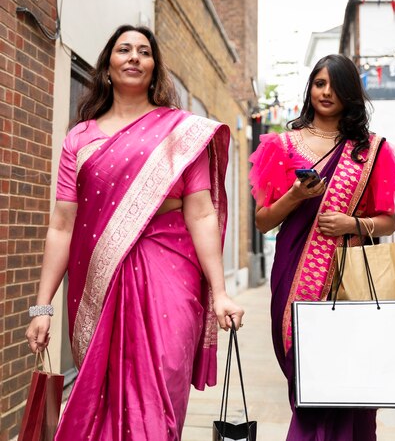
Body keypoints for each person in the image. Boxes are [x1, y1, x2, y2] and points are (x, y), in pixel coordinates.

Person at [25, 25, 244, 440]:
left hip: (171, 273)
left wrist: (220, 291)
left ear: (154, 68)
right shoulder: (81, 138)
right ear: (107, 65)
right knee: (98, 398)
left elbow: (200, 213)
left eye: (144, 52)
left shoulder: (180, 133)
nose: (134, 57)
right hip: (99, 279)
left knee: (162, 386)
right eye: (124, 49)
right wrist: (42, 307)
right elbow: (62, 223)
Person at [249, 54, 395, 440]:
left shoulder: (370, 150)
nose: (326, 92)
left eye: (335, 86)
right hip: (293, 275)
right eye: (319, 84)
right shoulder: (281, 145)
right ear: (310, 89)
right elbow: (263, 219)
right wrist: (296, 196)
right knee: (307, 377)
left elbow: (388, 220)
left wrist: (352, 223)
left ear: (350, 93)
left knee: (345, 379)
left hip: (349, 280)